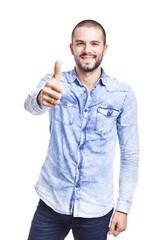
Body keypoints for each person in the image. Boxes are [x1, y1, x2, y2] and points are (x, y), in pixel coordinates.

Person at [24, 19, 139, 240]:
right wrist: (41, 98)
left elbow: (130, 155)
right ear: (72, 48)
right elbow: (30, 106)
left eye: (94, 44)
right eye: (80, 43)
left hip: (96, 209)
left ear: (104, 49)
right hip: (51, 202)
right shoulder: (55, 82)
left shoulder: (123, 94)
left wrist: (123, 207)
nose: (87, 50)